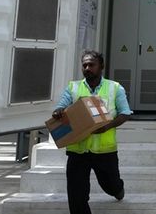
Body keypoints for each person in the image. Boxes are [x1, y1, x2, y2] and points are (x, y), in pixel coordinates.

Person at [52, 50, 131, 214]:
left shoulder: (115, 88)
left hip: (105, 150)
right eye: (84, 65)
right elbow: (62, 104)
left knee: (110, 184)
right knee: (76, 195)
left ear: (101, 66)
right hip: (77, 150)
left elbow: (125, 113)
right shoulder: (73, 87)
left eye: (91, 65)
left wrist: (107, 127)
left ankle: (118, 190)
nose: (87, 68)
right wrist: (58, 111)